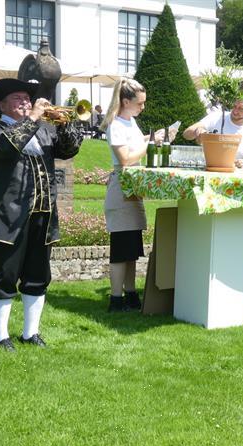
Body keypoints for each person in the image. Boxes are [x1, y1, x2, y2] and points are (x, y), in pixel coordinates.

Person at [0, 78, 82, 351]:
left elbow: (68, 150)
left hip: (44, 213)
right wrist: (35, 117)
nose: (26, 102)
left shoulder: (43, 130)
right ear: (2, 105)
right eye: (18, 98)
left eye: (27, 98)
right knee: (4, 275)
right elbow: (8, 146)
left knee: (38, 275)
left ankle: (30, 333)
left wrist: (67, 124)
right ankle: (1, 336)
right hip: (11, 215)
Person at [99, 78, 172, 312]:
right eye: (139, 103)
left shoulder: (130, 122)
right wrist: (152, 142)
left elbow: (134, 146)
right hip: (121, 191)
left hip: (132, 191)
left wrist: (151, 138)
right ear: (125, 101)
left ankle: (130, 295)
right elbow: (126, 158)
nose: (143, 107)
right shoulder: (116, 125)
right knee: (121, 250)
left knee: (131, 250)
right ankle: (116, 299)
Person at [183, 90, 243, 169]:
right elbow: (186, 134)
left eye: (241, 108)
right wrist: (198, 130)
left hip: (232, 179)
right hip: (206, 172)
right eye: (234, 106)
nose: (235, 111)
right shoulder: (217, 117)